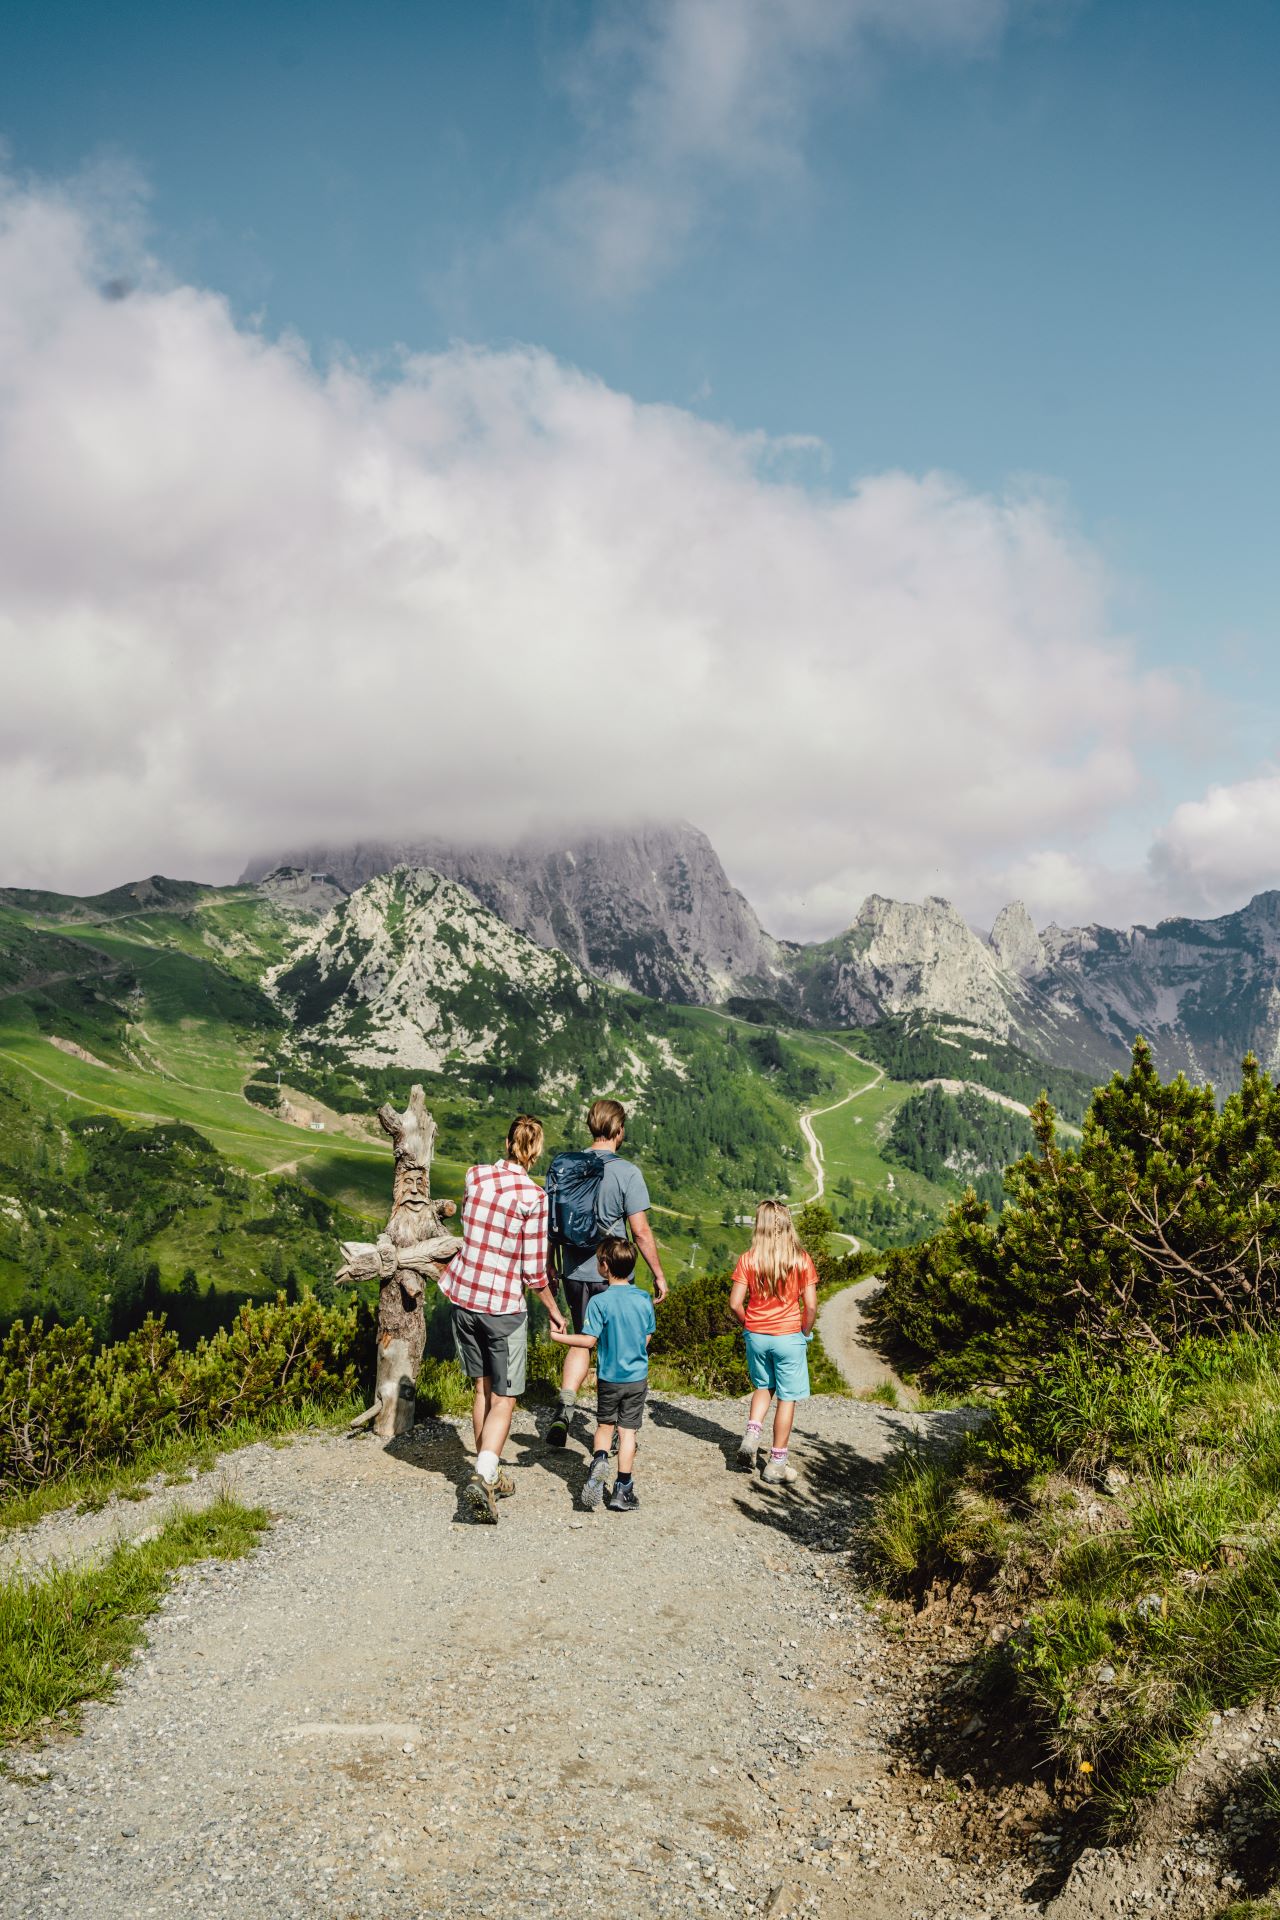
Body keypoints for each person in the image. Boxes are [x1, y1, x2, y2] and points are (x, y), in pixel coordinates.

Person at [442, 1114, 567, 1523]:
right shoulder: (534, 1198)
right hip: (502, 1307)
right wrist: (553, 1308)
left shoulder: (474, 1176)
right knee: (506, 1397)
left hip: (464, 1296)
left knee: (481, 1391)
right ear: (536, 1151)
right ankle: (482, 1476)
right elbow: (533, 1272)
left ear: (508, 1140)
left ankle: (488, 1472)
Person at [544, 1097, 667, 1448]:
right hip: (614, 1275)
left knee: (584, 1337)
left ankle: (565, 1406)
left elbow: (552, 1222)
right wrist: (658, 1274)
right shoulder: (627, 1172)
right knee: (613, 1347)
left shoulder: (566, 1167)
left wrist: (550, 1263)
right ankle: (610, 1429)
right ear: (618, 1129)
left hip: (575, 1272)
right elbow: (641, 1232)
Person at [550, 1235, 654, 1512]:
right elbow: (646, 1338)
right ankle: (622, 1490)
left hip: (609, 1377)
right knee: (628, 1432)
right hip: (636, 1378)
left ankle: (599, 1460)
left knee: (605, 1426)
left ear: (604, 1266)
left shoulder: (598, 1302)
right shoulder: (644, 1299)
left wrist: (558, 1338)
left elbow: (588, 1341)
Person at [727, 1200, 818, 1485]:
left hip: (756, 1335)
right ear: (788, 1224)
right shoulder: (800, 1259)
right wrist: (804, 1330)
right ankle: (777, 1463)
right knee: (787, 1398)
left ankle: (753, 1434)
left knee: (763, 1387)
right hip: (789, 1336)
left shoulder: (748, 1258)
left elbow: (734, 1303)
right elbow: (811, 1306)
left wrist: (748, 1324)